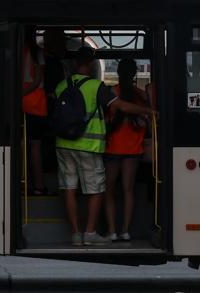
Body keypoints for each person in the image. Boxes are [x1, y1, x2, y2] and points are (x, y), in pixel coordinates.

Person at [55, 47, 156, 246]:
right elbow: (122, 106)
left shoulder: (61, 86)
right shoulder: (96, 86)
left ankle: (76, 234)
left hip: (64, 145)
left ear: (75, 63)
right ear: (92, 64)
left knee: (69, 188)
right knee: (97, 189)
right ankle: (91, 233)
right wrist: (149, 111)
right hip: (89, 146)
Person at [104, 58, 151, 242]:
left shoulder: (112, 92)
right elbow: (146, 122)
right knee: (128, 190)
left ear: (118, 72)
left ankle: (111, 231)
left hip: (113, 147)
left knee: (109, 190)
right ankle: (125, 231)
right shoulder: (141, 96)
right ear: (134, 74)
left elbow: (106, 119)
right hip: (133, 149)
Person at [22, 28, 49, 195]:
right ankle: (39, 185)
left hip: (21, 104)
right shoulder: (37, 52)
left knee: (22, 146)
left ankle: (22, 182)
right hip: (36, 105)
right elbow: (38, 79)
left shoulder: (17, 49)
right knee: (36, 146)